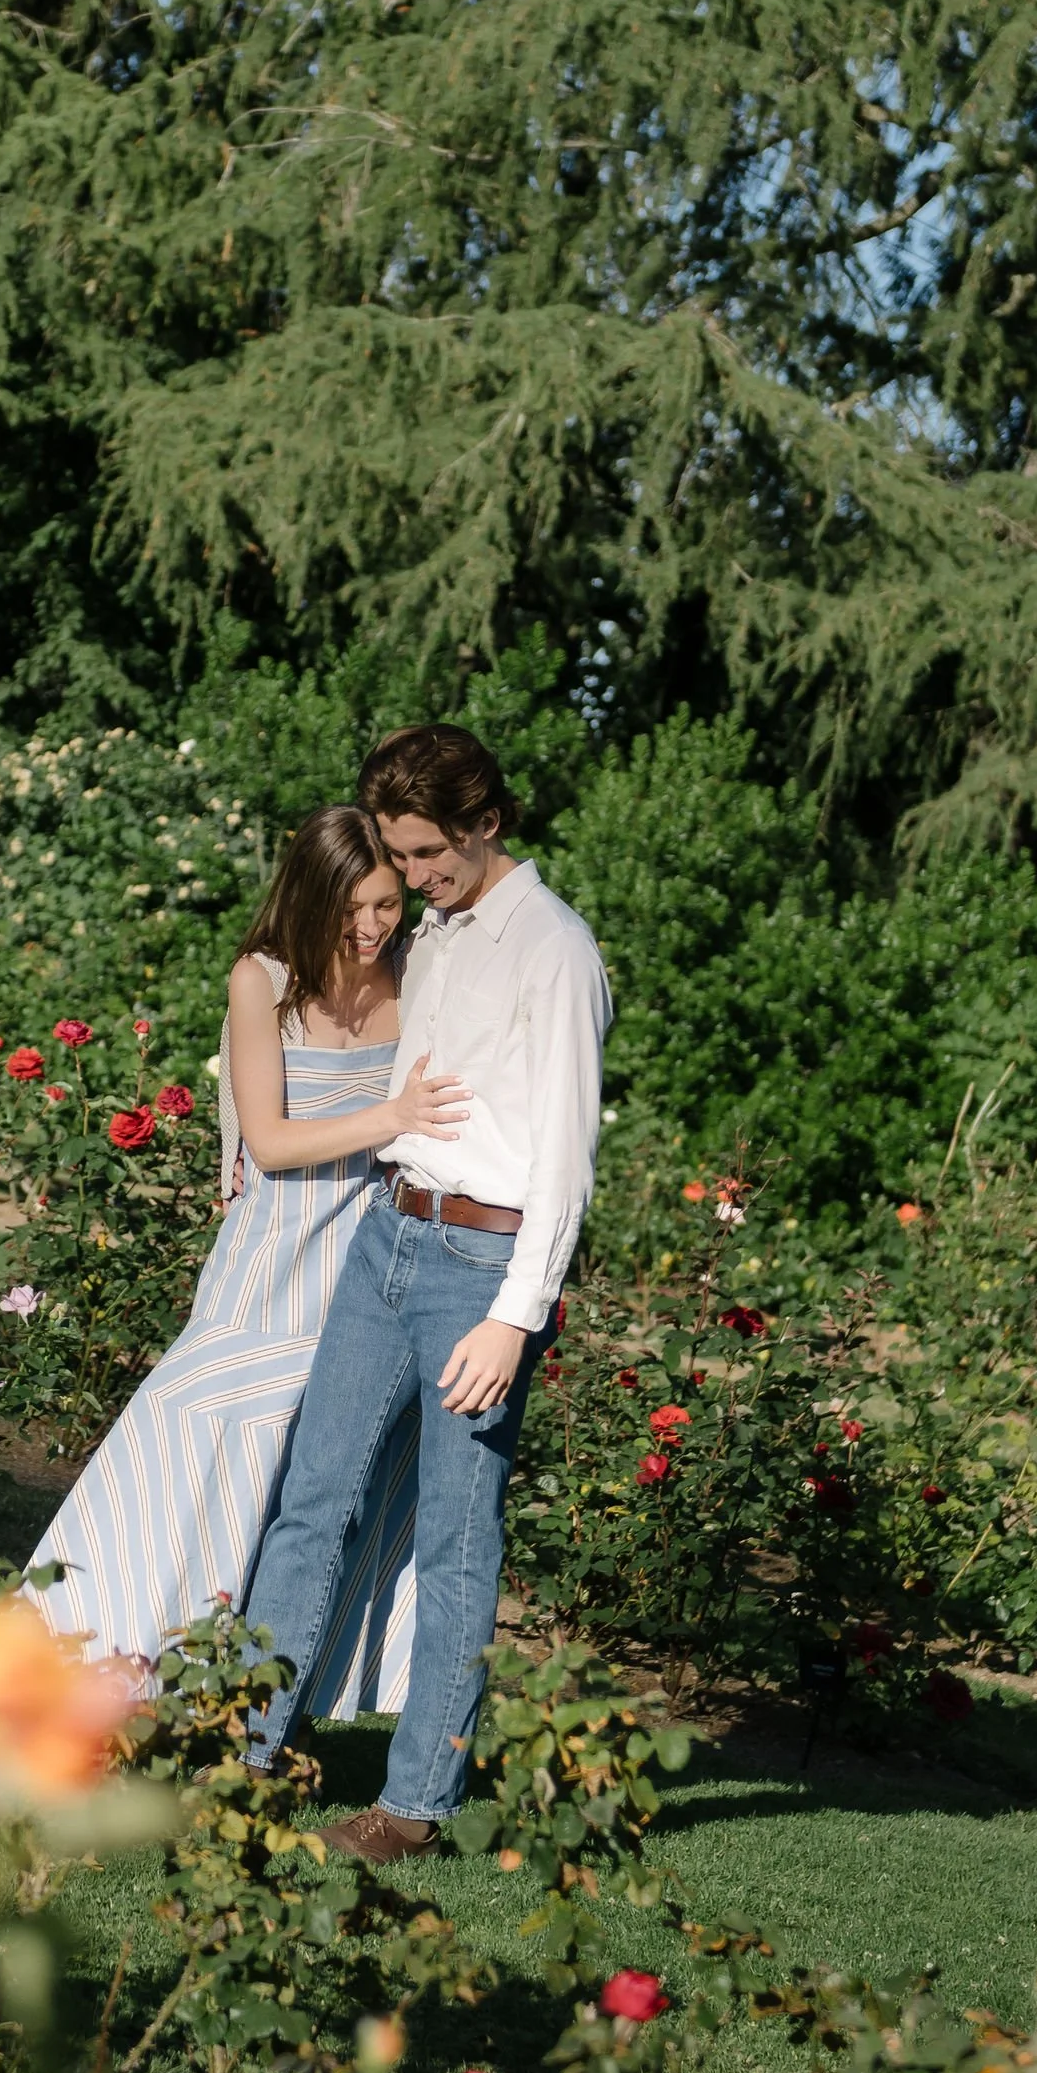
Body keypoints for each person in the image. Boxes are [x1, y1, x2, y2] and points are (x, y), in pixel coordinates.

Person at [242, 724, 611, 1861]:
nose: (410, 876)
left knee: (454, 1536)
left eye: (425, 854)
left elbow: (566, 1162)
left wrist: (514, 1318)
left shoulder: (553, 951)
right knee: (313, 1500)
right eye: (397, 855)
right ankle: (244, 1753)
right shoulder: (437, 933)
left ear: (485, 823)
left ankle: (415, 1809)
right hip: (387, 1237)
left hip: (481, 1272)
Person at [24, 804, 470, 1700]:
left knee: (326, 1480)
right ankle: (92, 1655)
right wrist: (392, 1116)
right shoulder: (262, 981)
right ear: (309, 898)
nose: (372, 927)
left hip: (369, 1255)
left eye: (387, 903)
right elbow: (267, 1142)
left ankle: (266, 1692)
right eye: (351, 909)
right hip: (272, 1260)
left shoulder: (417, 969)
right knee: (193, 1449)